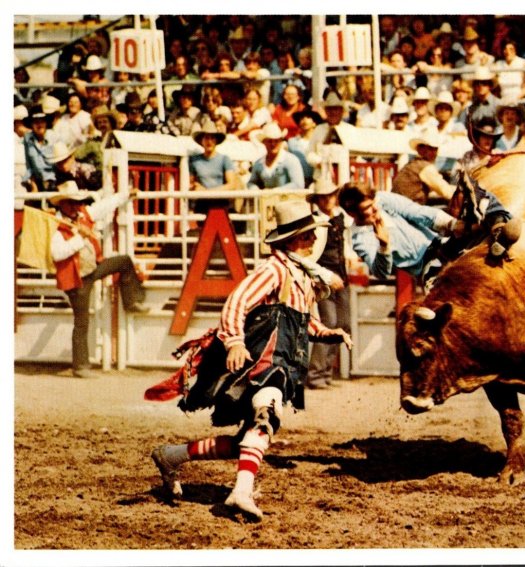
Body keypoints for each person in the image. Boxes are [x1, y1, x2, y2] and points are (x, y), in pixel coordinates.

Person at [149, 200, 352, 520]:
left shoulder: (300, 279)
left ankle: (171, 456)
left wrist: (328, 334)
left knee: (246, 440)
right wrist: (234, 342)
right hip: (263, 363)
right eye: (307, 235)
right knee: (267, 417)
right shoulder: (274, 270)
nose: (313, 241)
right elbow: (237, 301)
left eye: (312, 235)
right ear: (291, 240)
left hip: (282, 364)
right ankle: (241, 492)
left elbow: (304, 322)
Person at [49, 181, 147, 378]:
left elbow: (105, 205)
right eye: (70, 203)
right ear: (61, 204)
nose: (75, 206)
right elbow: (57, 254)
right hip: (77, 279)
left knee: (124, 261)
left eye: (76, 202)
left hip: (92, 268)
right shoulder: (55, 226)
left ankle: (131, 300)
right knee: (81, 321)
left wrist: (126, 194)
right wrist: (82, 238)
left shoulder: (84, 214)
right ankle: (80, 366)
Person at [338, 182, 460, 282]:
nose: (375, 208)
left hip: (442, 244)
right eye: (367, 207)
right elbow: (381, 273)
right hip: (428, 269)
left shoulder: (381, 199)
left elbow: (416, 211)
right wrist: (384, 246)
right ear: (352, 213)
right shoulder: (360, 239)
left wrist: (453, 224)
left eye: (373, 203)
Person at [306, 178, 354, 390]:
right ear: (317, 200)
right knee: (329, 323)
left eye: (330, 195)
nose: (327, 200)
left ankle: (325, 372)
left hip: (341, 275)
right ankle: (317, 374)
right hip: (324, 278)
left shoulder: (341, 219)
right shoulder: (315, 220)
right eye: (323, 197)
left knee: (342, 324)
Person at [189, 121, 241, 217]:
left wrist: (209, 192)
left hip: (221, 201)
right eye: (206, 138)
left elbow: (232, 185)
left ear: (216, 141)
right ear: (202, 140)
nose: (209, 142)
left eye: (212, 138)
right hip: (203, 203)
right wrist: (196, 187)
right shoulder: (194, 161)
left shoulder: (224, 159)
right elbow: (191, 183)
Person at [392, 129, 456, 205]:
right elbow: (447, 192)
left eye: (435, 149)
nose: (434, 152)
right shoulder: (425, 168)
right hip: (409, 209)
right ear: (420, 149)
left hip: (400, 205)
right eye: (430, 148)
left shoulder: (412, 164)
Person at [248, 123, 305, 190]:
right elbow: (251, 183)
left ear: (281, 141)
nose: (273, 144)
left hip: (288, 199)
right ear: (264, 142)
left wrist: (274, 192)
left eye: (276, 141)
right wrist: (256, 190)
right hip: (265, 199)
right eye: (269, 141)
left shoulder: (291, 160)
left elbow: (298, 184)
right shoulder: (259, 163)